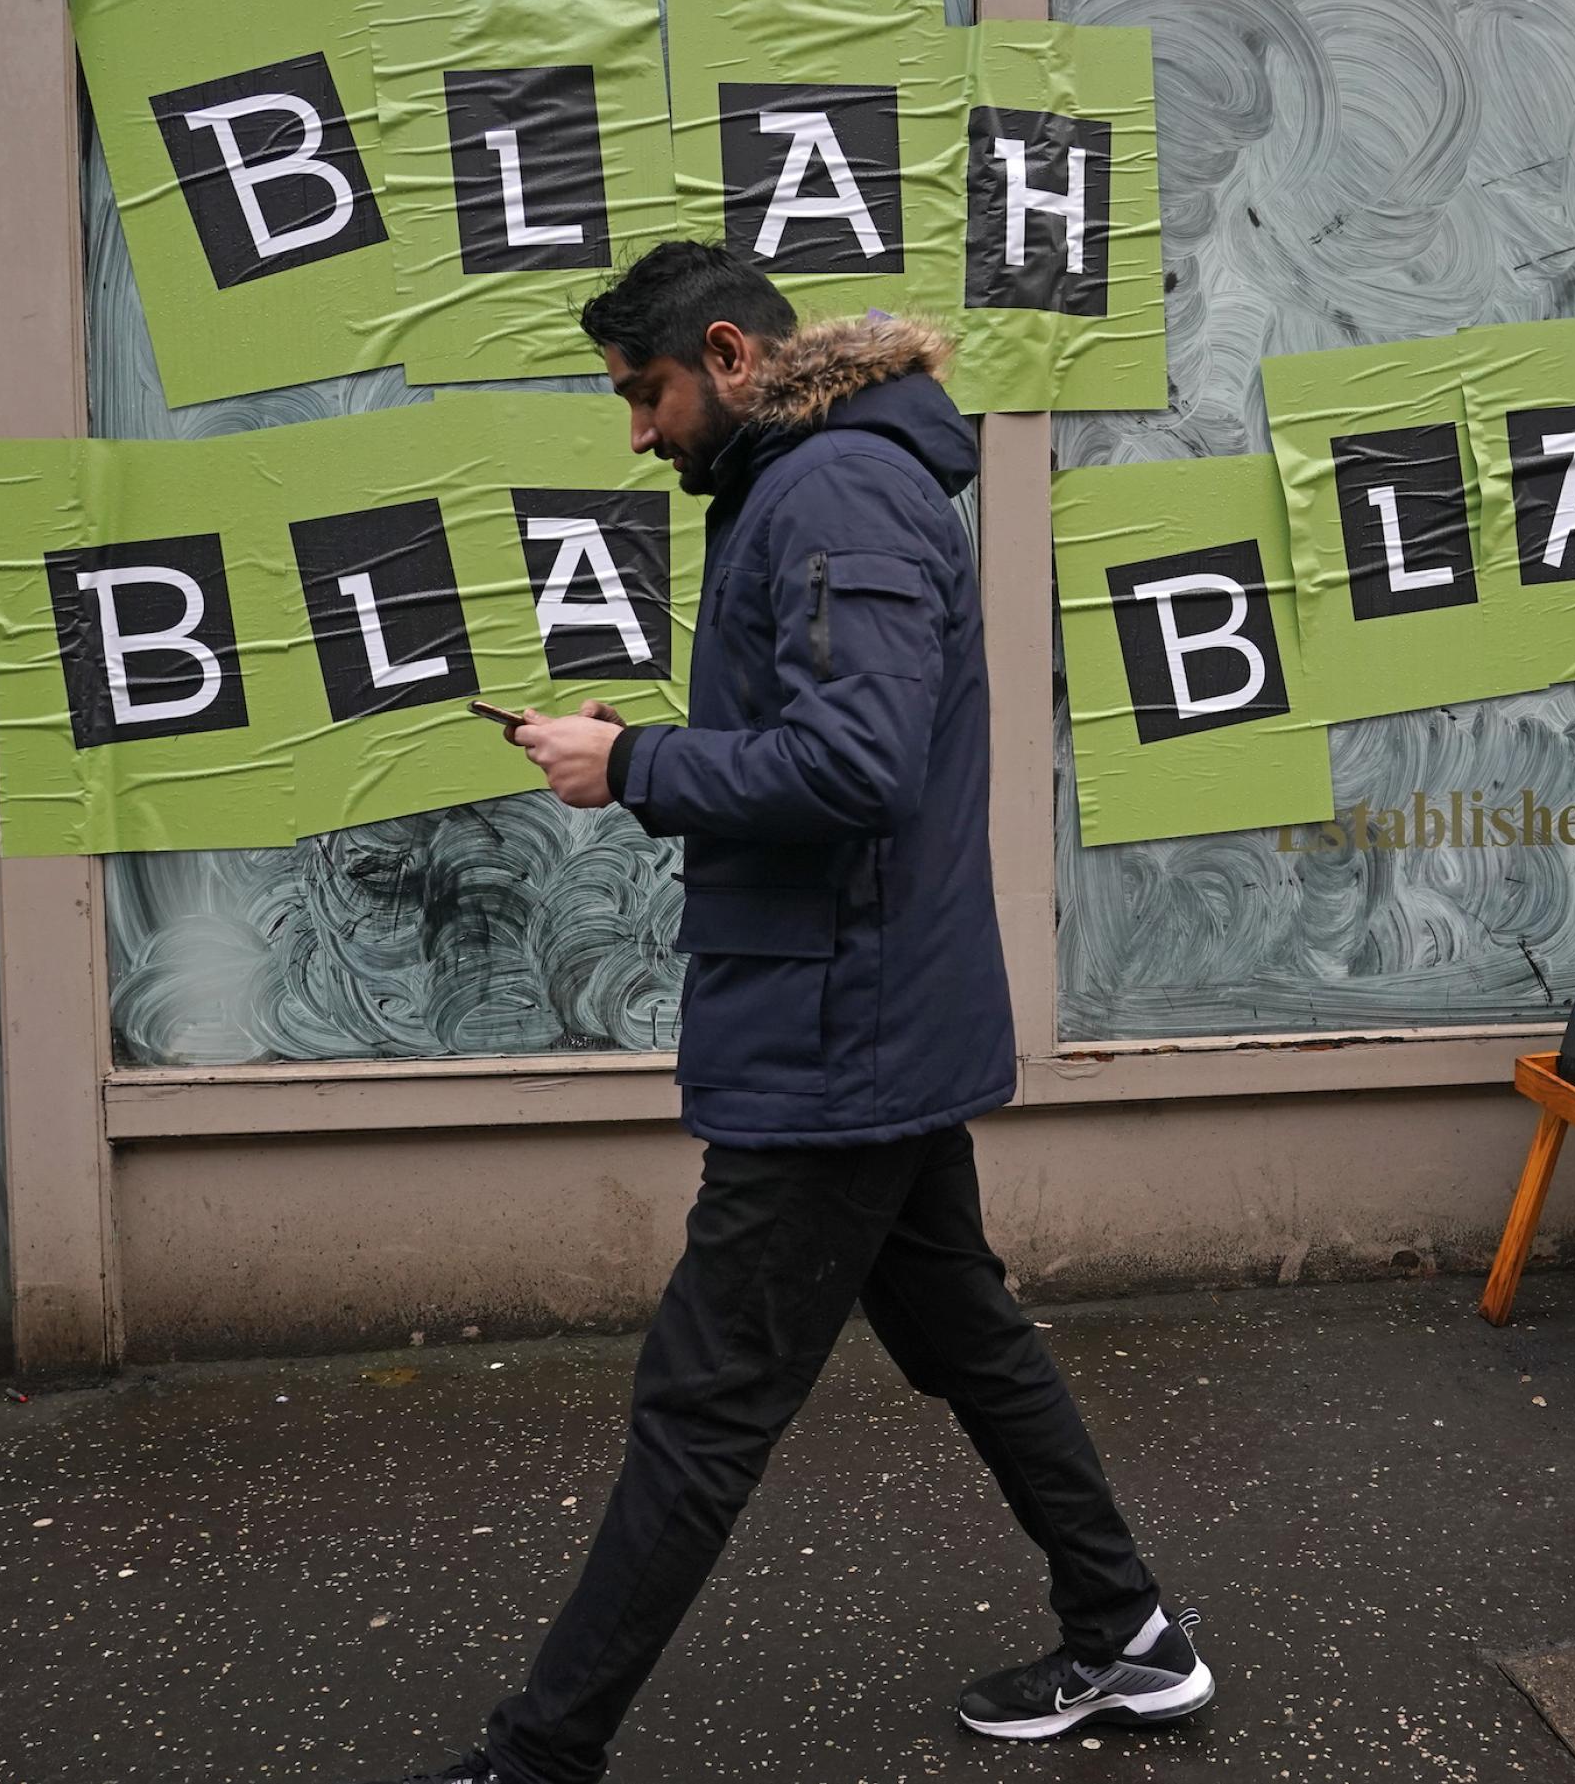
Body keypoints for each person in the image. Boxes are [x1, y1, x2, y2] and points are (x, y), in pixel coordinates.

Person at [384, 243, 1209, 1784]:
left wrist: (630, 769)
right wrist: (654, 746)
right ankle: (1130, 1632)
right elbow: (829, 741)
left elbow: (858, 766)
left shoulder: (832, 492)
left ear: (731, 356)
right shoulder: (822, 483)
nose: (638, 431)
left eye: (648, 393)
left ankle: (537, 1759)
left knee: (702, 1411)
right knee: (972, 1337)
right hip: (858, 1010)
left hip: (840, 1037)